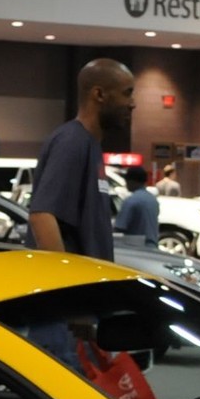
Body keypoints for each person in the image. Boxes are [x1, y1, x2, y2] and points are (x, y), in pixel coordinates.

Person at [30, 58, 134, 261]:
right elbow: (42, 217)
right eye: (127, 93)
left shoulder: (89, 144)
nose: (133, 104)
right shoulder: (72, 142)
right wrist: (66, 284)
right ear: (99, 94)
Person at [114, 168, 159, 242]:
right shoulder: (152, 200)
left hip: (136, 246)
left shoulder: (131, 201)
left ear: (131, 181)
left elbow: (119, 227)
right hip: (152, 244)